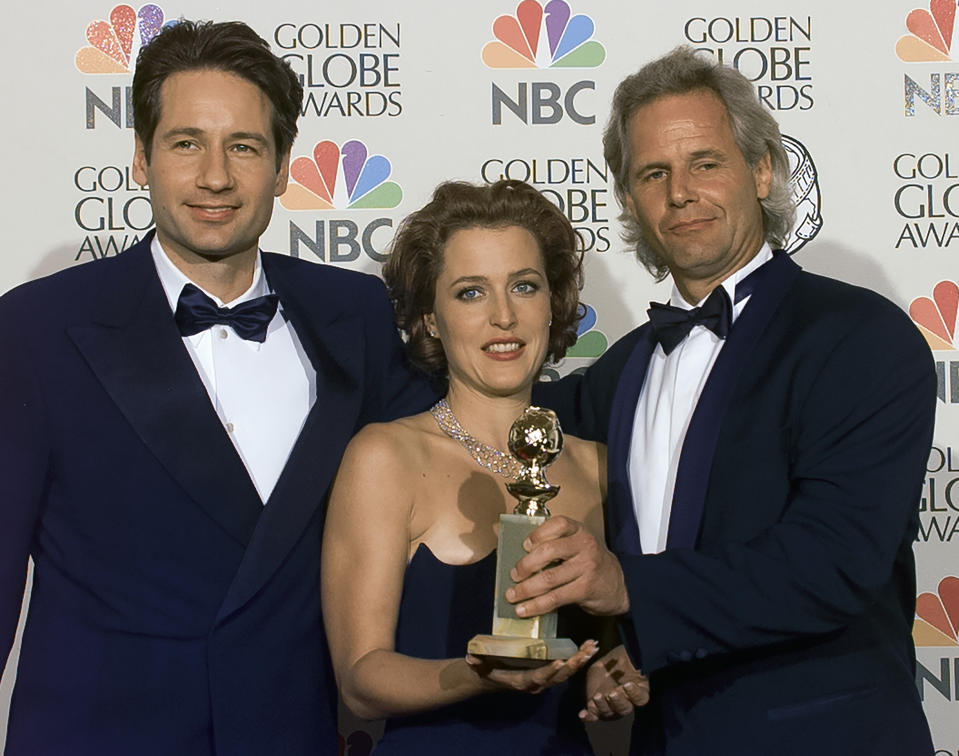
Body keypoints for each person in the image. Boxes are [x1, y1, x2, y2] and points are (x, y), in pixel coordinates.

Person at [0, 20, 431, 756]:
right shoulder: (39, 326)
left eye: (243, 147)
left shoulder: (356, 314)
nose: (215, 178)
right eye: (186, 143)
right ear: (140, 157)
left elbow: (428, 497)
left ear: (284, 165)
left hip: (295, 732)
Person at [516, 46, 938, 754]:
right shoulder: (617, 376)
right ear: (627, 199)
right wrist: (613, 646)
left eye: (704, 163)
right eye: (653, 173)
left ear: (762, 170)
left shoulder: (858, 337)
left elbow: (833, 560)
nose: (679, 191)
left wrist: (629, 591)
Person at [321, 179, 647, 753]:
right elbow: (360, 682)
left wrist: (614, 670)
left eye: (524, 286)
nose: (503, 315)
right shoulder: (386, 457)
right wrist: (477, 674)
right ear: (427, 317)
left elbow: (619, 636)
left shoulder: (600, 464)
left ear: (553, 302)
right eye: (471, 293)